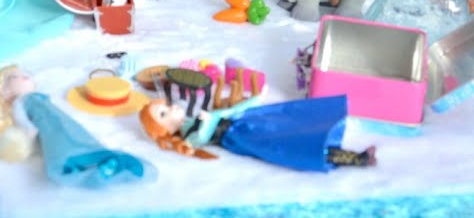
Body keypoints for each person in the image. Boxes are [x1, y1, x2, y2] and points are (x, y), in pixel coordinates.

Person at [0, 66, 153, 187]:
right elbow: (21, 119)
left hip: (63, 122)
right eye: (14, 77)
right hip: (47, 128)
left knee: (78, 136)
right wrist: (28, 131)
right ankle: (83, 166)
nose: (25, 77)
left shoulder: (40, 97)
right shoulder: (19, 102)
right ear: (4, 91)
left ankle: (101, 160)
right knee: (61, 141)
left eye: (25, 74)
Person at [139, 94, 375, 172]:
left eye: (165, 106)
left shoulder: (194, 119)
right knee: (290, 145)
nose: (171, 107)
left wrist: (252, 100)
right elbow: (200, 139)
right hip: (238, 137)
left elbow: (229, 111)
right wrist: (208, 121)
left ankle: (353, 154)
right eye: (163, 114)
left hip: (242, 124)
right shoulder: (189, 133)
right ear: (163, 129)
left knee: (291, 128)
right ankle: (356, 158)